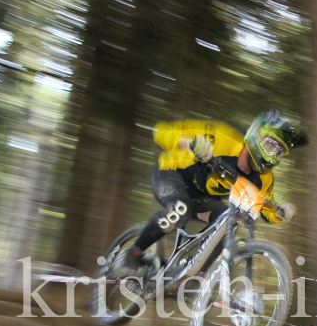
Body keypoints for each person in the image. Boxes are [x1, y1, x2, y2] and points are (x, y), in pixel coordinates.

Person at [115, 110, 306, 275]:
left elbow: (266, 206)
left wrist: (281, 213)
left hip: (200, 197)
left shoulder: (264, 179)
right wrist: (189, 143)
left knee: (228, 223)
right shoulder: (222, 138)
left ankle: (195, 278)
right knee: (180, 208)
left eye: (279, 152)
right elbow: (162, 131)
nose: (272, 156)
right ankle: (133, 253)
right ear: (255, 136)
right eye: (270, 145)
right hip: (171, 173)